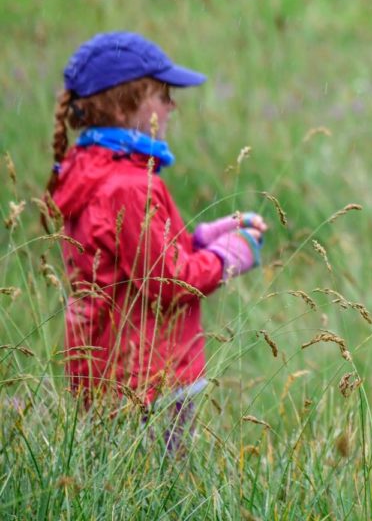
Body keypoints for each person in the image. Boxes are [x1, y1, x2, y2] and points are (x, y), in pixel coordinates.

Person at [46, 31, 266, 446]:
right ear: (126, 105)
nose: (172, 105)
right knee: (163, 491)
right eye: (163, 94)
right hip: (149, 382)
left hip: (106, 373)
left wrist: (206, 236)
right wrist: (230, 256)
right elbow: (167, 281)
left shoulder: (89, 170)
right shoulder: (129, 186)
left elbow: (135, 259)